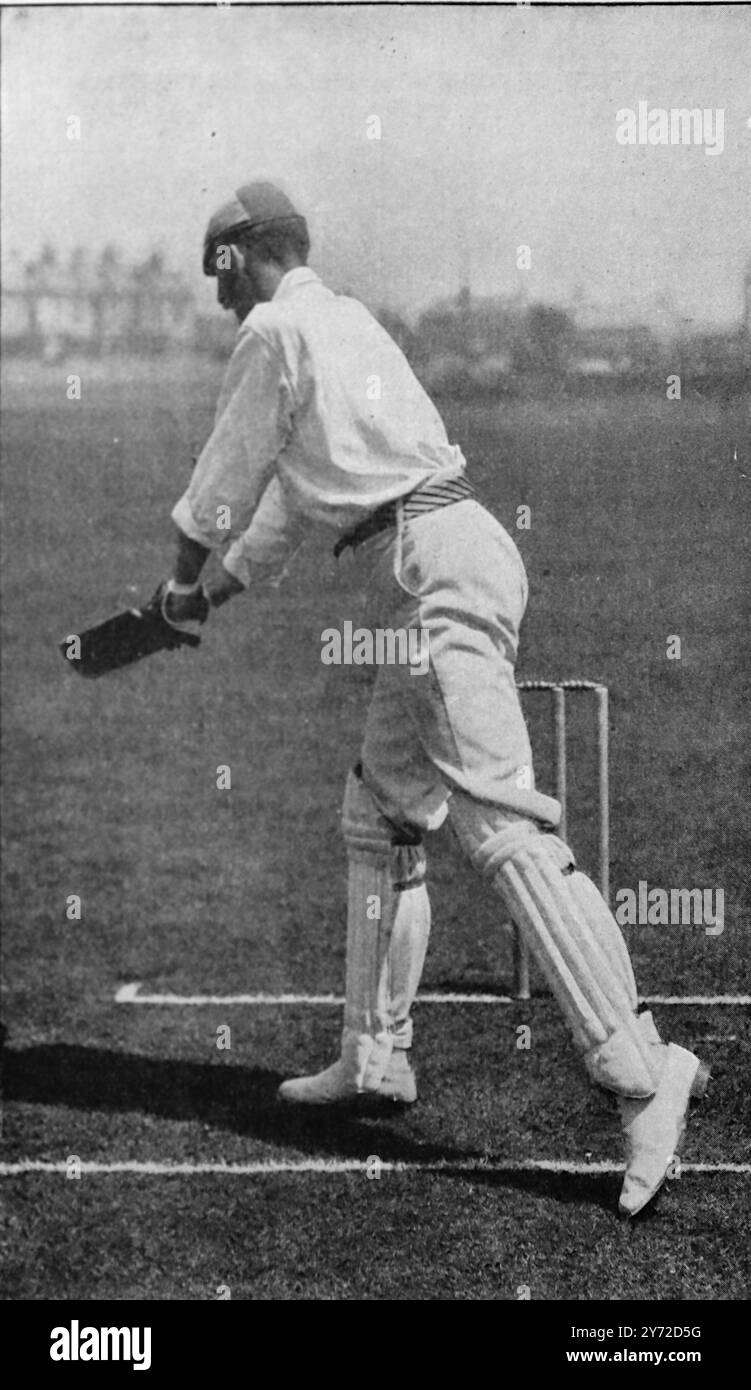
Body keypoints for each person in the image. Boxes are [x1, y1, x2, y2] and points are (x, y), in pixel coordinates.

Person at [162, 181, 708, 1218]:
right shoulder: (345, 322)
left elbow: (224, 479)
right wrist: (218, 587)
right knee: (382, 815)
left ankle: (642, 1070)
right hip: (440, 556)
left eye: (214, 271)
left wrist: (183, 577)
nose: (216, 295)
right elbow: (283, 495)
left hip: (427, 572)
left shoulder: (277, 329)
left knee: (500, 825)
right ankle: (374, 1057)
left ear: (239, 258)